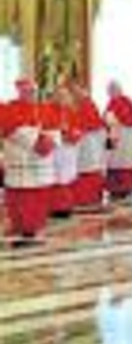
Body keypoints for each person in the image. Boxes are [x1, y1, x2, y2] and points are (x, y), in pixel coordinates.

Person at [1, 78, 58, 246]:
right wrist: (35, 141)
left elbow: (54, 129)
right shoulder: (9, 108)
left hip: (41, 163)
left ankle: (34, 227)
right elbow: (11, 130)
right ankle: (22, 227)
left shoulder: (45, 108)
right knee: (22, 196)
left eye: (32, 91)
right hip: (21, 159)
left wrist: (51, 140)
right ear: (19, 91)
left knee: (39, 196)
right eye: (26, 91)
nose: (30, 94)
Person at [70, 82, 107, 209]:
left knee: (88, 166)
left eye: (77, 91)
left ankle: (88, 198)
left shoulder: (88, 104)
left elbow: (91, 122)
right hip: (82, 140)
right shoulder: (77, 104)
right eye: (73, 92)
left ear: (83, 90)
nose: (75, 94)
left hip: (89, 140)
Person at [47, 84, 82, 217]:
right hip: (55, 150)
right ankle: (55, 207)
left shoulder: (71, 111)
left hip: (68, 150)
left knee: (66, 178)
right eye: (59, 95)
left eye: (65, 95)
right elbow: (45, 128)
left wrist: (73, 134)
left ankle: (66, 206)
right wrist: (59, 133)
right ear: (54, 96)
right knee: (55, 178)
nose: (62, 98)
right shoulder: (47, 110)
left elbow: (78, 128)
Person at [104, 80, 132, 201]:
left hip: (125, 136)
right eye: (109, 91)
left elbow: (127, 117)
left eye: (112, 90)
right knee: (112, 162)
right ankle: (114, 189)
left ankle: (124, 189)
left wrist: (114, 120)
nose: (110, 93)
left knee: (123, 163)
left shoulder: (126, 101)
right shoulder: (111, 102)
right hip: (113, 134)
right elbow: (106, 117)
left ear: (119, 90)